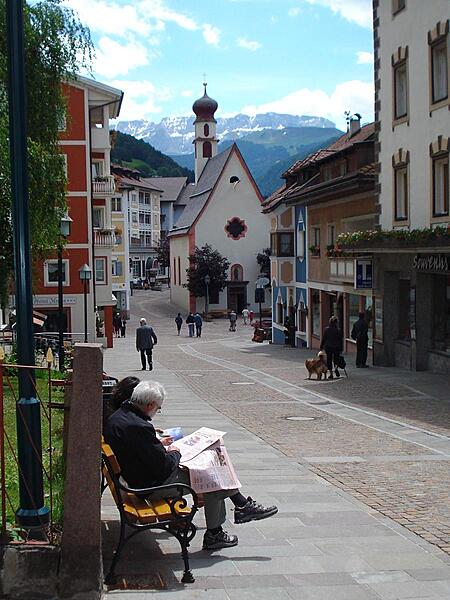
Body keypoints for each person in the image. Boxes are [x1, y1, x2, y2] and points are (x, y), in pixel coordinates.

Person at [104, 381, 278, 551]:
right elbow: (164, 466)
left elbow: (144, 452)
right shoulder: (138, 426)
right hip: (150, 487)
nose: (157, 411)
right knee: (211, 476)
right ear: (149, 404)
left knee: (209, 466)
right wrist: (175, 451)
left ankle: (239, 508)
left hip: (139, 478)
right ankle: (220, 528)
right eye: (158, 408)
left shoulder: (120, 416)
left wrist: (160, 446)